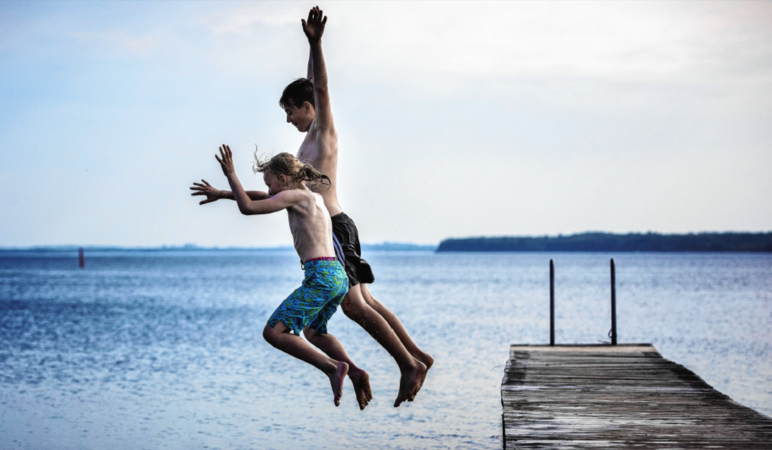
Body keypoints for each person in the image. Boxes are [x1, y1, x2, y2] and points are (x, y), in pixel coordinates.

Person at [192, 6, 432, 407]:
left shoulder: (322, 131)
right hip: (336, 226)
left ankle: (408, 363)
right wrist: (225, 193)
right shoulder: (305, 151)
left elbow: (319, 86)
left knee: (357, 307)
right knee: (364, 303)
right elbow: (275, 194)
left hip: (334, 228)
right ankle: (415, 357)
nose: (287, 119)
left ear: (307, 107)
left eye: (290, 109)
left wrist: (316, 43)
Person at [193, 145, 370, 409]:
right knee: (314, 332)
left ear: (283, 179)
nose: (269, 191)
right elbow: (259, 197)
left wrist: (231, 174)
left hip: (320, 275)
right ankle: (355, 371)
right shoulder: (312, 197)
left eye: (270, 183)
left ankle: (333, 367)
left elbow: (250, 207)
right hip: (337, 276)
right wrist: (222, 194)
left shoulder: (293, 198)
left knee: (273, 332)